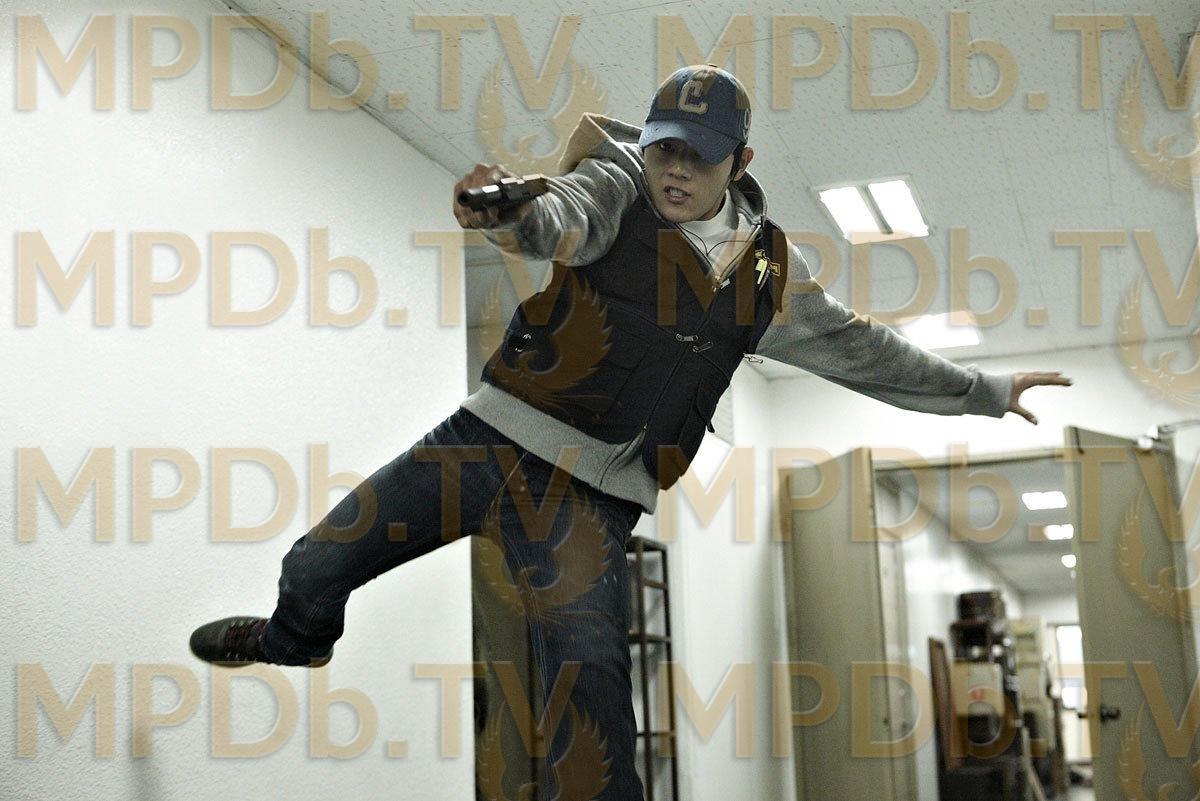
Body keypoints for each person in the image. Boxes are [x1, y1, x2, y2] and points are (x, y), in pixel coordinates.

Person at [189, 64, 1072, 799]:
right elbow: (561, 218)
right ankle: (293, 640)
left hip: (585, 498)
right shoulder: (616, 183)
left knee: (594, 713)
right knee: (316, 563)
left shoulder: (771, 274)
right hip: (484, 441)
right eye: (664, 149)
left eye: (698, 157)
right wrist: (509, 214)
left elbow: (861, 349)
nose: (675, 171)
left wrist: (984, 390)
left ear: (741, 161)